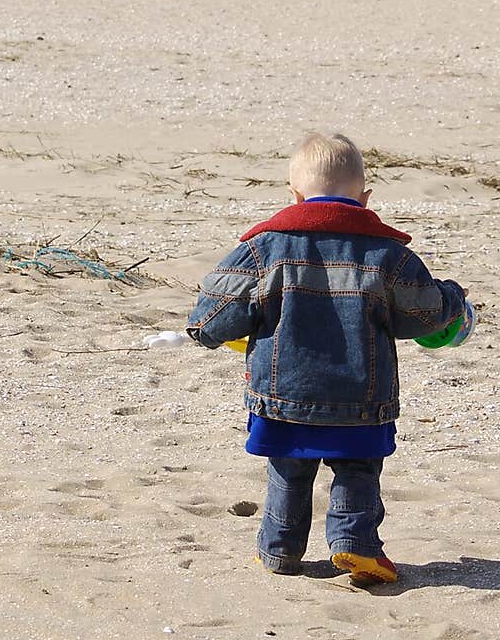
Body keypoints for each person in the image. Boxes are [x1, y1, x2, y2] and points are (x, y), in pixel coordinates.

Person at [186, 131, 469, 585]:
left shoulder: (264, 248)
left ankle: (279, 550)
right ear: (366, 196)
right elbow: (426, 314)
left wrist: (212, 333)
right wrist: (455, 301)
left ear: (294, 195)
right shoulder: (388, 255)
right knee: (357, 470)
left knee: (287, 470)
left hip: (283, 396)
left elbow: (214, 313)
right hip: (361, 397)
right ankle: (355, 544)